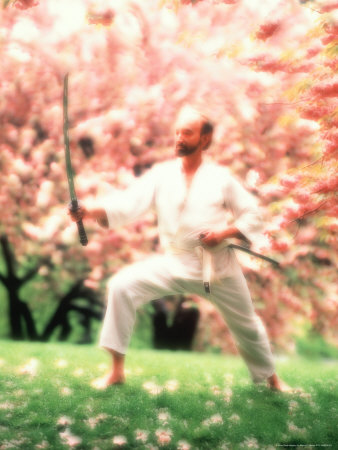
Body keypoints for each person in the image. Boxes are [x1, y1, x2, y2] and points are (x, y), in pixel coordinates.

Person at [69, 105, 290, 391]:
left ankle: (273, 381)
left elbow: (253, 216)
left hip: (217, 265)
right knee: (121, 286)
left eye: (187, 132)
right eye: (177, 132)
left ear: (205, 139)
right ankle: (116, 372)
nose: (179, 138)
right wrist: (87, 211)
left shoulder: (221, 178)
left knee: (247, 323)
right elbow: (127, 204)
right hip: (175, 262)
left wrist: (224, 232)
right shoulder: (162, 174)